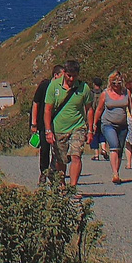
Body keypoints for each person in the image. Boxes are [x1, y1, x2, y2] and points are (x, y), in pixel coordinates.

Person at [44, 60, 93, 188]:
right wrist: (48, 131)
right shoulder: (54, 86)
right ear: (64, 73)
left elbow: (89, 109)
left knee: (76, 156)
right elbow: (48, 109)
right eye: (69, 76)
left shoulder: (84, 88)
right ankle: (61, 184)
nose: (71, 79)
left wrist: (90, 130)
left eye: (74, 76)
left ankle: (73, 186)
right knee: (61, 160)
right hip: (59, 129)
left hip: (78, 127)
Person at [92, 72, 132, 186]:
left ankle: (117, 171)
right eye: (114, 83)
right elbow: (99, 109)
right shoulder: (105, 94)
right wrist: (94, 124)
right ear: (111, 83)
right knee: (114, 146)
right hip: (108, 124)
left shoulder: (126, 93)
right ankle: (115, 173)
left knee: (119, 148)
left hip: (123, 125)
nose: (117, 85)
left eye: (119, 83)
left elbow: (131, 108)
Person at [31, 65, 63, 184]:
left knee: (59, 149)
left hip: (59, 123)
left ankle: (53, 170)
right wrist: (34, 123)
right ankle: (43, 172)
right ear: (56, 75)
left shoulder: (64, 88)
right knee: (44, 149)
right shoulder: (44, 86)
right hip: (43, 123)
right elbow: (36, 103)